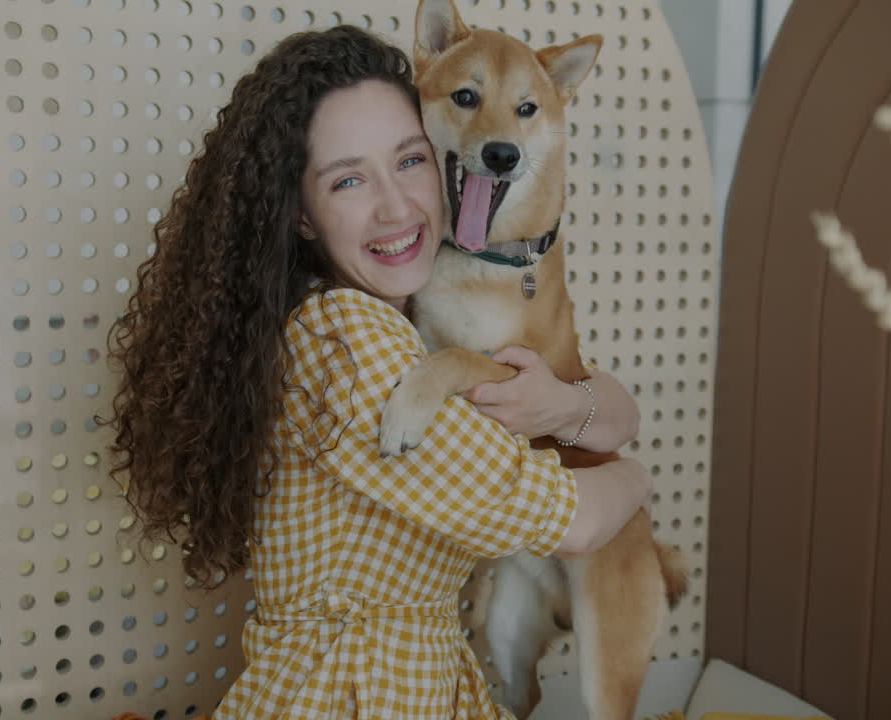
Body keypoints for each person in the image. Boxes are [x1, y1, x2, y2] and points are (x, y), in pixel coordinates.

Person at [103, 25, 650, 719]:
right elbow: (568, 519)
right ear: (301, 216)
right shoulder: (348, 342)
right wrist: (637, 478)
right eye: (349, 180)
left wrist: (568, 408)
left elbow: (609, 404)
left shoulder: (398, 317)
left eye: (410, 161)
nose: (396, 207)